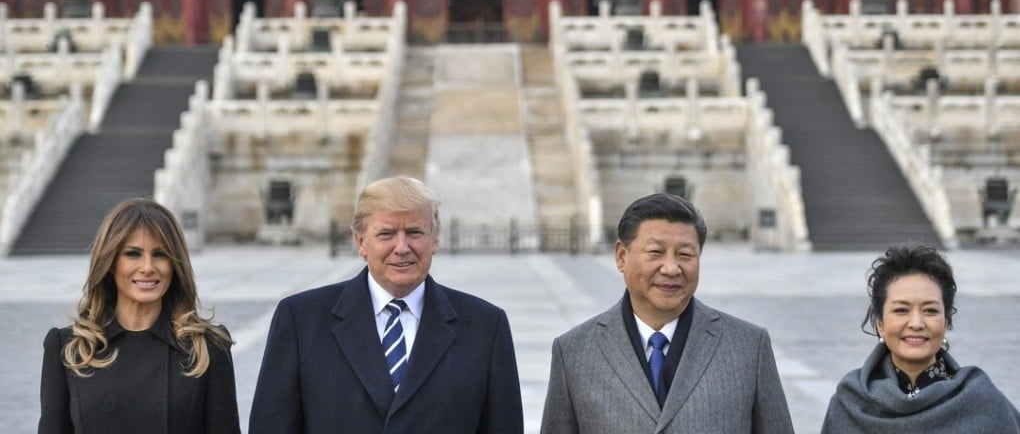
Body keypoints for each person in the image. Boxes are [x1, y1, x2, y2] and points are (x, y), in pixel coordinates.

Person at [248, 175, 524, 434]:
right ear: (360, 242)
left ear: (435, 239)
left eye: (415, 232)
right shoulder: (301, 321)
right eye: (386, 234)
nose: (402, 247)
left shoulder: (485, 326)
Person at [540, 192, 794, 433]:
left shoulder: (748, 346)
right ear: (621, 256)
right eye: (656, 252)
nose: (672, 268)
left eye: (685, 254)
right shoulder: (574, 352)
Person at [38, 198, 241, 434]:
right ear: (110, 262)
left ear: (175, 264)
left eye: (160, 254)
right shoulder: (70, 349)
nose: (147, 267)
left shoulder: (207, 348)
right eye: (133, 254)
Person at [821, 243, 1020, 433]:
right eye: (901, 310)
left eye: (930, 311)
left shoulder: (983, 404)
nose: (916, 323)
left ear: (946, 322)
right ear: (880, 323)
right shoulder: (850, 405)